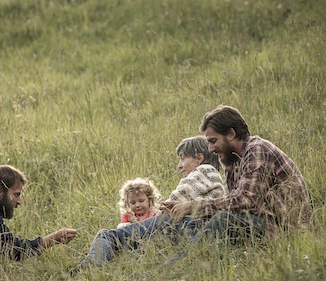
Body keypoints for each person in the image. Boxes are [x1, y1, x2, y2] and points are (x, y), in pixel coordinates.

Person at [162, 105, 311, 243]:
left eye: (213, 141)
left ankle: (177, 264)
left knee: (223, 219)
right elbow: (230, 202)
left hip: (285, 230)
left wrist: (192, 206)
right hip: (257, 221)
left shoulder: (257, 150)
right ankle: (147, 240)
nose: (210, 149)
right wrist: (183, 208)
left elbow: (244, 200)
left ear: (231, 134)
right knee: (193, 221)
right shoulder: (233, 159)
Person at [75, 136, 225, 268]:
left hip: (182, 224)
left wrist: (151, 220)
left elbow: (177, 198)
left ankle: (90, 267)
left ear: (199, 158)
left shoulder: (205, 170)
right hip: (193, 228)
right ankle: (99, 259)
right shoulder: (213, 176)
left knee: (107, 235)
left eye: (183, 158)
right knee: (132, 247)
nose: (179, 165)